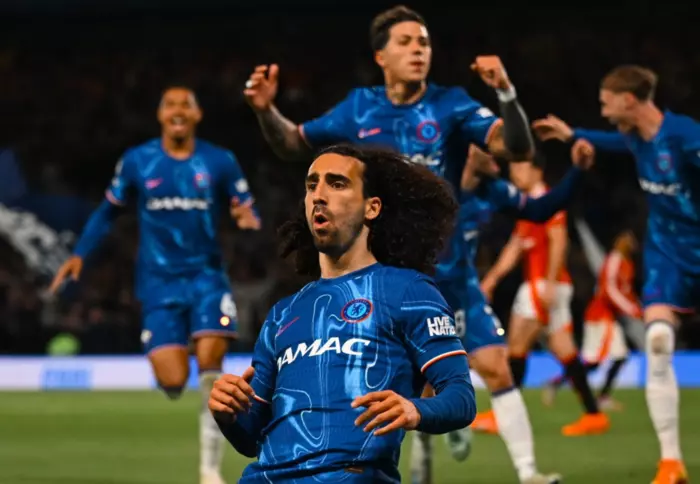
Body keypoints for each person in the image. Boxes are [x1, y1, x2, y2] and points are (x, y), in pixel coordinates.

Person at [243, 6, 573, 483]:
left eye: (424, 42)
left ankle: (528, 474)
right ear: (381, 56)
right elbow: (294, 144)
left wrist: (506, 93)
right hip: (382, 279)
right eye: (406, 42)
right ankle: (409, 455)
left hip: (449, 273)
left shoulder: (451, 105)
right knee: (387, 376)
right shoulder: (358, 108)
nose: (419, 50)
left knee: (494, 367)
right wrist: (264, 110)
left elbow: (517, 147)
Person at [208, 144, 475, 483]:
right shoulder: (282, 314)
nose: (319, 195)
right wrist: (228, 412)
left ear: (371, 208)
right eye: (312, 185)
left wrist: (415, 409)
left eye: (337, 184)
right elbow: (251, 437)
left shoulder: (409, 291)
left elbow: (460, 396)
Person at [49, 86, 260, 484]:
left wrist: (248, 217)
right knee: (173, 380)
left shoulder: (219, 161)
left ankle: (209, 469)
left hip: (207, 279)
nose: (178, 110)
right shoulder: (138, 161)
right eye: (170, 104)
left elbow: (248, 208)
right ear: (160, 115)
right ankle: (175, 365)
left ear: (197, 115)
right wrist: (80, 253)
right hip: (159, 284)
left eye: (186, 104)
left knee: (211, 368)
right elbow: (108, 211)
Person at [532, 64, 699, 483]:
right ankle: (671, 462)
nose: (604, 112)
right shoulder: (635, 139)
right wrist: (573, 135)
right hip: (667, 256)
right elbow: (608, 141)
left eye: (606, 104)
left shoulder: (684, 136)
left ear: (628, 100)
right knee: (658, 342)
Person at [479, 140, 611, 437]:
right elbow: (515, 248)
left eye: (520, 166)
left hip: (542, 285)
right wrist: (492, 279)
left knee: (516, 347)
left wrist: (549, 283)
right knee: (565, 350)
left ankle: (504, 416)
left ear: (536, 170)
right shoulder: (529, 205)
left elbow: (559, 240)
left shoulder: (546, 201)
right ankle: (594, 414)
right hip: (549, 285)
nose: (514, 173)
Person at [542, 230, 641, 412]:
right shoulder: (615, 260)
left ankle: (601, 396)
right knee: (594, 361)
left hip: (608, 317)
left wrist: (634, 306)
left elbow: (625, 291)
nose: (633, 244)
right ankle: (558, 383)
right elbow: (610, 290)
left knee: (619, 356)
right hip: (600, 316)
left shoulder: (626, 263)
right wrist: (632, 309)